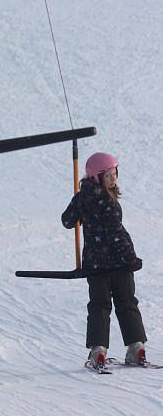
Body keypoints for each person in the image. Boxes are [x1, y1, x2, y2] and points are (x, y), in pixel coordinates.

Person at [62, 152, 147, 370]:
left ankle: (102, 350)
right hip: (119, 265)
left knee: (101, 306)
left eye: (114, 174)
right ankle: (133, 347)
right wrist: (131, 258)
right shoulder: (108, 203)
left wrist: (79, 203)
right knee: (125, 303)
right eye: (107, 175)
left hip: (96, 265)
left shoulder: (84, 198)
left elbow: (68, 220)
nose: (112, 179)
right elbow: (117, 234)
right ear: (95, 177)